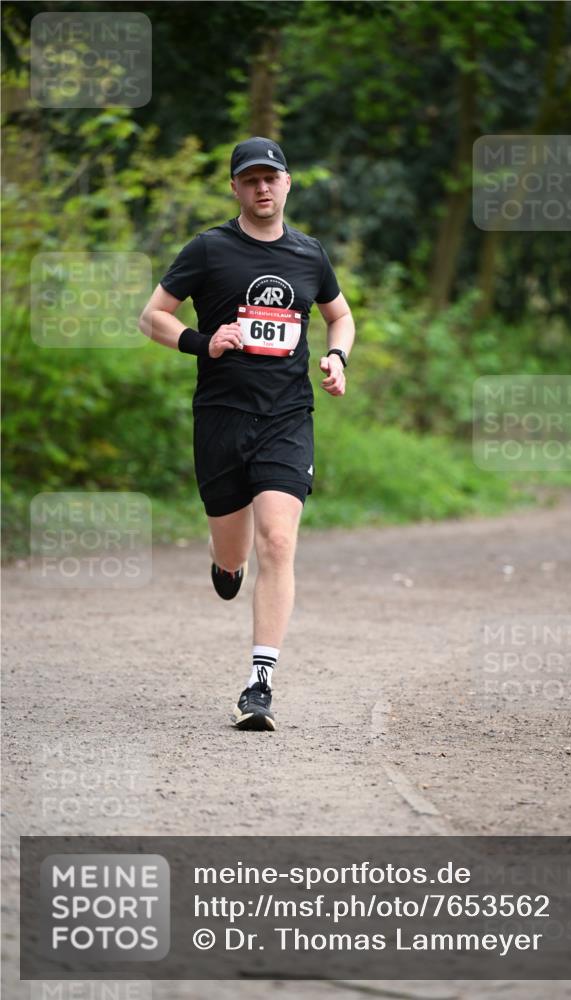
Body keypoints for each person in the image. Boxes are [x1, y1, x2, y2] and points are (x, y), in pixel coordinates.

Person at [139, 136, 355, 732]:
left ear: (287, 184)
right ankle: (223, 562)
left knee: (279, 542)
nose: (263, 187)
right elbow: (152, 315)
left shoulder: (310, 255)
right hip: (221, 418)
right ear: (236, 188)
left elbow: (340, 313)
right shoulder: (209, 250)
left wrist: (338, 357)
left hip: (287, 417)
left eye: (272, 178)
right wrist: (200, 340)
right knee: (235, 553)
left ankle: (259, 684)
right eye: (250, 179)